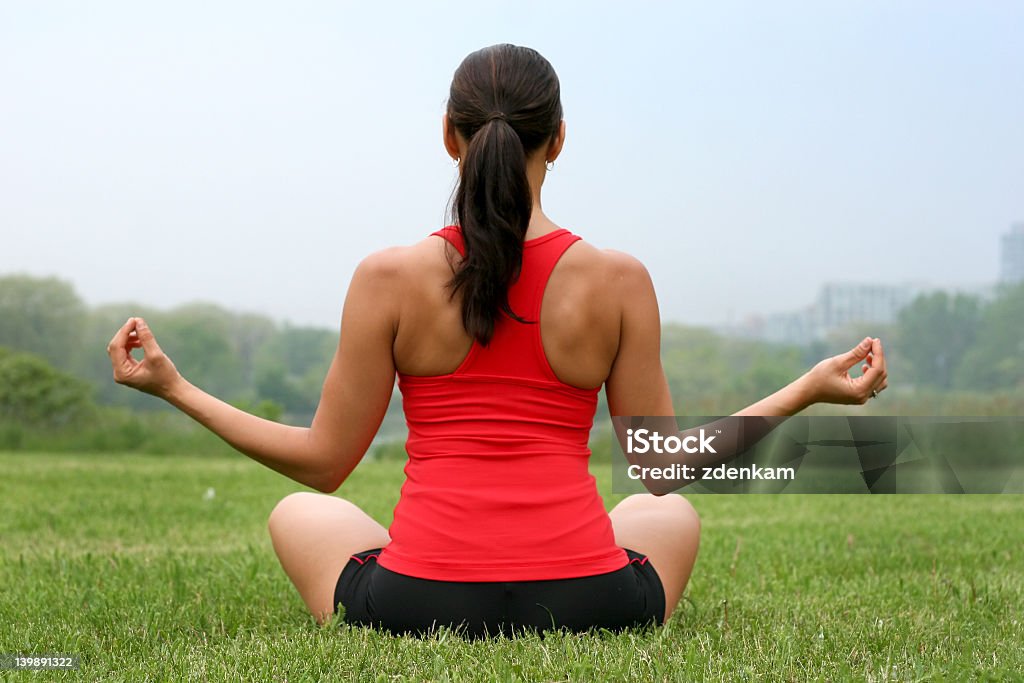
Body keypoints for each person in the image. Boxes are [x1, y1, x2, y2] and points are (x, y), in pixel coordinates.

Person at [106, 43, 888, 637]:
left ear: (450, 136)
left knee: (296, 513)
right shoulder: (619, 279)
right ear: (559, 138)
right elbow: (657, 467)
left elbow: (324, 463)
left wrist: (175, 386)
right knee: (672, 511)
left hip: (419, 600)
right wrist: (806, 387)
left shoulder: (388, 276)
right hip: (591, 600)